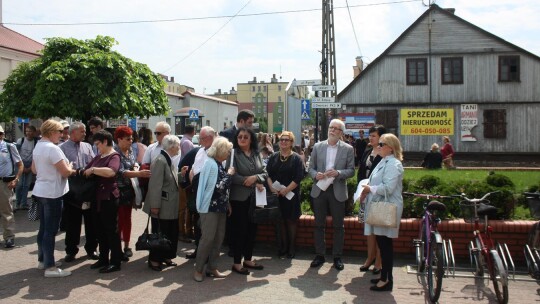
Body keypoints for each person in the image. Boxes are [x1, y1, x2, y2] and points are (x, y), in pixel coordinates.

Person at [357, 133, 404, 292]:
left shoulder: (393, 164)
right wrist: (366, 190)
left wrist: (370, 189)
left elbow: (388, 188)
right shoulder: (384, 161)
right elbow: (373, 181)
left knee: (385, 244)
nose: (378, 146)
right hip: (379, 206)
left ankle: (387, 279)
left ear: (390, 148)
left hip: (386, 207)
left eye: (381, 144)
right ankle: (384, 276)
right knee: (382, 243)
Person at [308, 119, 355, 271]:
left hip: (337, 190)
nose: (332, 130)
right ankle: (319, 255)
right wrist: (316, 175)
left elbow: (351, 170)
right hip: (320, 189)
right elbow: (310, 168)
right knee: (319, 224)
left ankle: (337, 256)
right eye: (331, 127)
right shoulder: (317, 146)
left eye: (336, 129)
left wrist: (339, 173)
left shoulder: (348, 149)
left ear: (341, 133)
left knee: (338, 226)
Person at [31, 120, 75, 277]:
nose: (62, 134)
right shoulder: (53, 149)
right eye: (59, 131)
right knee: (51, 230)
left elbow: (34, 170)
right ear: (51, 132)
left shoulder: (38, 146)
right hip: (52, 193)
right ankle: (50, 267)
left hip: (41, 191)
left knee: (44, 228)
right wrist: (70, 167)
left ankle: (43, 260)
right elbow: (65, 172)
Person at [193, 137, 235, 282]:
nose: (228, 154)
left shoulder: (217, 164)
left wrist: (227, 203)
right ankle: (198, 269)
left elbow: (221, 190)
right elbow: (219, 187)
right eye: (227, 151)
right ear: (222, 150)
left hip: (220, 207)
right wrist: (229, 175)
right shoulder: (210, 164)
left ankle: (212, 267)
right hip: (209, 208)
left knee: (218, 239)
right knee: (208, 239)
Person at [229, 127, 267, 275]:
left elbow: (264, 172)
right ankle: (237, 263)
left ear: (251, 139)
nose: (242, 139)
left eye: (245, 137)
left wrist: (256, 178)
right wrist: (248, 180)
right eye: (240, 137)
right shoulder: (233, 154)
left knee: (252, 229)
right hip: (239, 198)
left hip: (255, 197)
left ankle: (248, 259)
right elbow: (230, 175)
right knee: (240, 230)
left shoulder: (257, 154)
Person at [83, 130, 123, 273]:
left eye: (98, 144)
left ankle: (115, 261)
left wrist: (94, 169)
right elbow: (86, 170)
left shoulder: (114, 156)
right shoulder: (99, 156)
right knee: (99, 230)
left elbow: (111, 171)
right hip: (97, 198)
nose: (97, 147)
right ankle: (103, 258)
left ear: (105, 142)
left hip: (109, 198)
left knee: (111, 230)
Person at [143, 135, 184, 272]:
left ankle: (166, 256)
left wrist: (181, 174)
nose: (179, 147)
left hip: (169, 205)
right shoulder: (160, 160)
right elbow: (155, 185)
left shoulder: (167, 159)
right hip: (163, 205)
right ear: (172, 147)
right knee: (160, 232)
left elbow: (169, 179)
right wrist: (154, 205)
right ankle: (155, 260)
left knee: (169, 232)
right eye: (178, 145)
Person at [59, 122, 98, 262]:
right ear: (72, 132)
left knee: (91, 221)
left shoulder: (87, 146)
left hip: (88, 187)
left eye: (85, 131)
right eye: (82, 131)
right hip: (72, 188)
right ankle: (71, 250)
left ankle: (92, 248)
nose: (84, 133)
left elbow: (93, 162)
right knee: (72, 222)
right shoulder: (61, 148)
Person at [114, 126, 151, 260]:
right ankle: (116, 248)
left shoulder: (130, 151)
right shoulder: (115, 153)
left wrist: (136, 166)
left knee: (127, 219)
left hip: (129, 191)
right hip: (118, 191)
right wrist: (139, 173)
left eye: (131, 138)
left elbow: (133, 163)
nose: (131, 141)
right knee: (118, 221)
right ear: (119, 139)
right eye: (128, 139)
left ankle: (126, 246)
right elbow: (121, 172)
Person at [266, 131, 304, 259]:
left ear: (291, 143)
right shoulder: (273, 157)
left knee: (291, 221)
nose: (283, 142)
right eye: (282, 139)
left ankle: (291, 248)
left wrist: (286, 190)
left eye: (286, 140)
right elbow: (267, 174)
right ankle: (282, 247)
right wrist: (271, 187)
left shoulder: (297, 158)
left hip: (291, 196)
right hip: (277, 195)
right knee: (280, 221)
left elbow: (299, 177)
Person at [357, 125, 386, 274]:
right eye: (370, 135)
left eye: (374, 135)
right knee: (368, 229)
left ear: (381, 137)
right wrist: (360, 189)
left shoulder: (385, 154)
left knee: (379, 230)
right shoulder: (367, 151)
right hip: (365, 195)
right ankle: (370, 258)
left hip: (378, 196)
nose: (371, 138)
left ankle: (379, 262)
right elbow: (361, 171)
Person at [185, 126, 216, 259]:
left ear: (210, 138)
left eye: (202, 138)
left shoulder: (217, 151)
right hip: (196, 189)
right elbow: (194, 168)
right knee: (197, 221)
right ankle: (198, 249)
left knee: (207, 224)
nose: (200, 141)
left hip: (209, 193)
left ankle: (208, 253)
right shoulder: (200, 151)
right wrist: (192, 177)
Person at [0, 125, 23, 249]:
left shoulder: (9, 146)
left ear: (2, 135)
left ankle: (9, 237)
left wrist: (16, 179)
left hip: (4, 183)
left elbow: (20, 165)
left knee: (6, 211)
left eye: (0, 134)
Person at [14, 125, 39, 210]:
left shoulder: (36, 142)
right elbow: (16, 154)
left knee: (27, 185)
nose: (28, 133)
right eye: (27, 131)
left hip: (31, 164)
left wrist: (30, 168)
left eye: (30, 131)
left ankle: (23, 203)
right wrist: (22, 167)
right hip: (20, 164)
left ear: (34, 132)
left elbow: (36, 156)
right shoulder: (20, 141)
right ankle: (17, 203)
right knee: (19, 184)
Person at [179, 125, 196, 243]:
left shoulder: (184, 141)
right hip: (185, 178)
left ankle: (188, 231)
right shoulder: (188, 143)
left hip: (185, 176)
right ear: (193, 131)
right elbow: (191, 162)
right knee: (184, 208)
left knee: (186, 207)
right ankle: (183, 232)